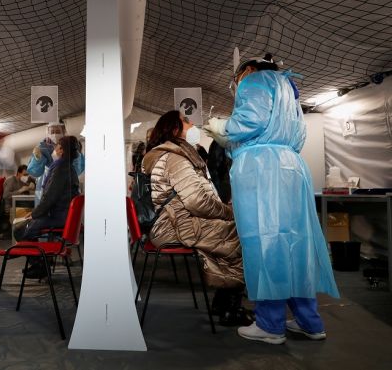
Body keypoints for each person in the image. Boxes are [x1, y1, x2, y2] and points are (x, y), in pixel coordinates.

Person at [204, 53, 339, 344]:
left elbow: (250, 120)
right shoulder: (289, 89)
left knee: (264, 242)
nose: (238, 85)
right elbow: (297, 134)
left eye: (238, 78)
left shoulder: (254, 80)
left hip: (261, 170)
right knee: (297, 245)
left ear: (249, 69)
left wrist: (221, 127)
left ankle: (270, 324)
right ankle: (310, 322)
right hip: (292, 167)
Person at [141, 110, 252, 326]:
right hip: (176, 226)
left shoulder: (176, 155)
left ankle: (223, 304)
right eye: (186, 121)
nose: (192, 124)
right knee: (242, 236)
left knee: (234, 232)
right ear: (175, 129)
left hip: (176, 222)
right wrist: (229, 212)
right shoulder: (174, 158)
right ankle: (230, 309)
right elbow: (197, 201)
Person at [17, 136, 81, 278]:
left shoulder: (60, 168)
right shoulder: (68, 167)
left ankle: (40, 265)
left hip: (59, 217)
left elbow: (50, 197)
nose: (54, 149)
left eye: (56, 146)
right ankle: (39, 263)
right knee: (27, 226)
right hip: (65, 216)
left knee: (20, 230)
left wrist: (34, 213)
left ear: (61, 150)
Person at [27, 122, 84, 206]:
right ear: (47, 131)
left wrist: (64, 159)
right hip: (46, 188)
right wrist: (38, 159)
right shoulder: (42, 147)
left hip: (66, 188)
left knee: (64, 210)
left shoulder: (71, 146)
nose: (54, 134)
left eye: (57, 131)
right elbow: (35, 172)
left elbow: (77, 170)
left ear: (64, 131)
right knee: (45, 209)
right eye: (52, 131)